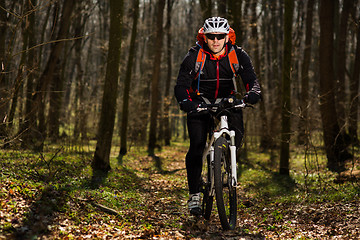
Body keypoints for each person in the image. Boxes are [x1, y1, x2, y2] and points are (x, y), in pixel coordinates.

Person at [174, 17, 261, 216]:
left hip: (228, 102)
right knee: (196, 144)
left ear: (226, 36)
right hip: (200, 103)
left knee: (237, 139)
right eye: (211, 36)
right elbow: (181, 85)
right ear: (204, 37)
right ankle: (194, 193)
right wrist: (186, 102)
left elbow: (251, 79)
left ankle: (228, 166)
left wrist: (252, 94)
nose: (215, 41)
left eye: (220, 37)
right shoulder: (194, 56)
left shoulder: (237, 55)